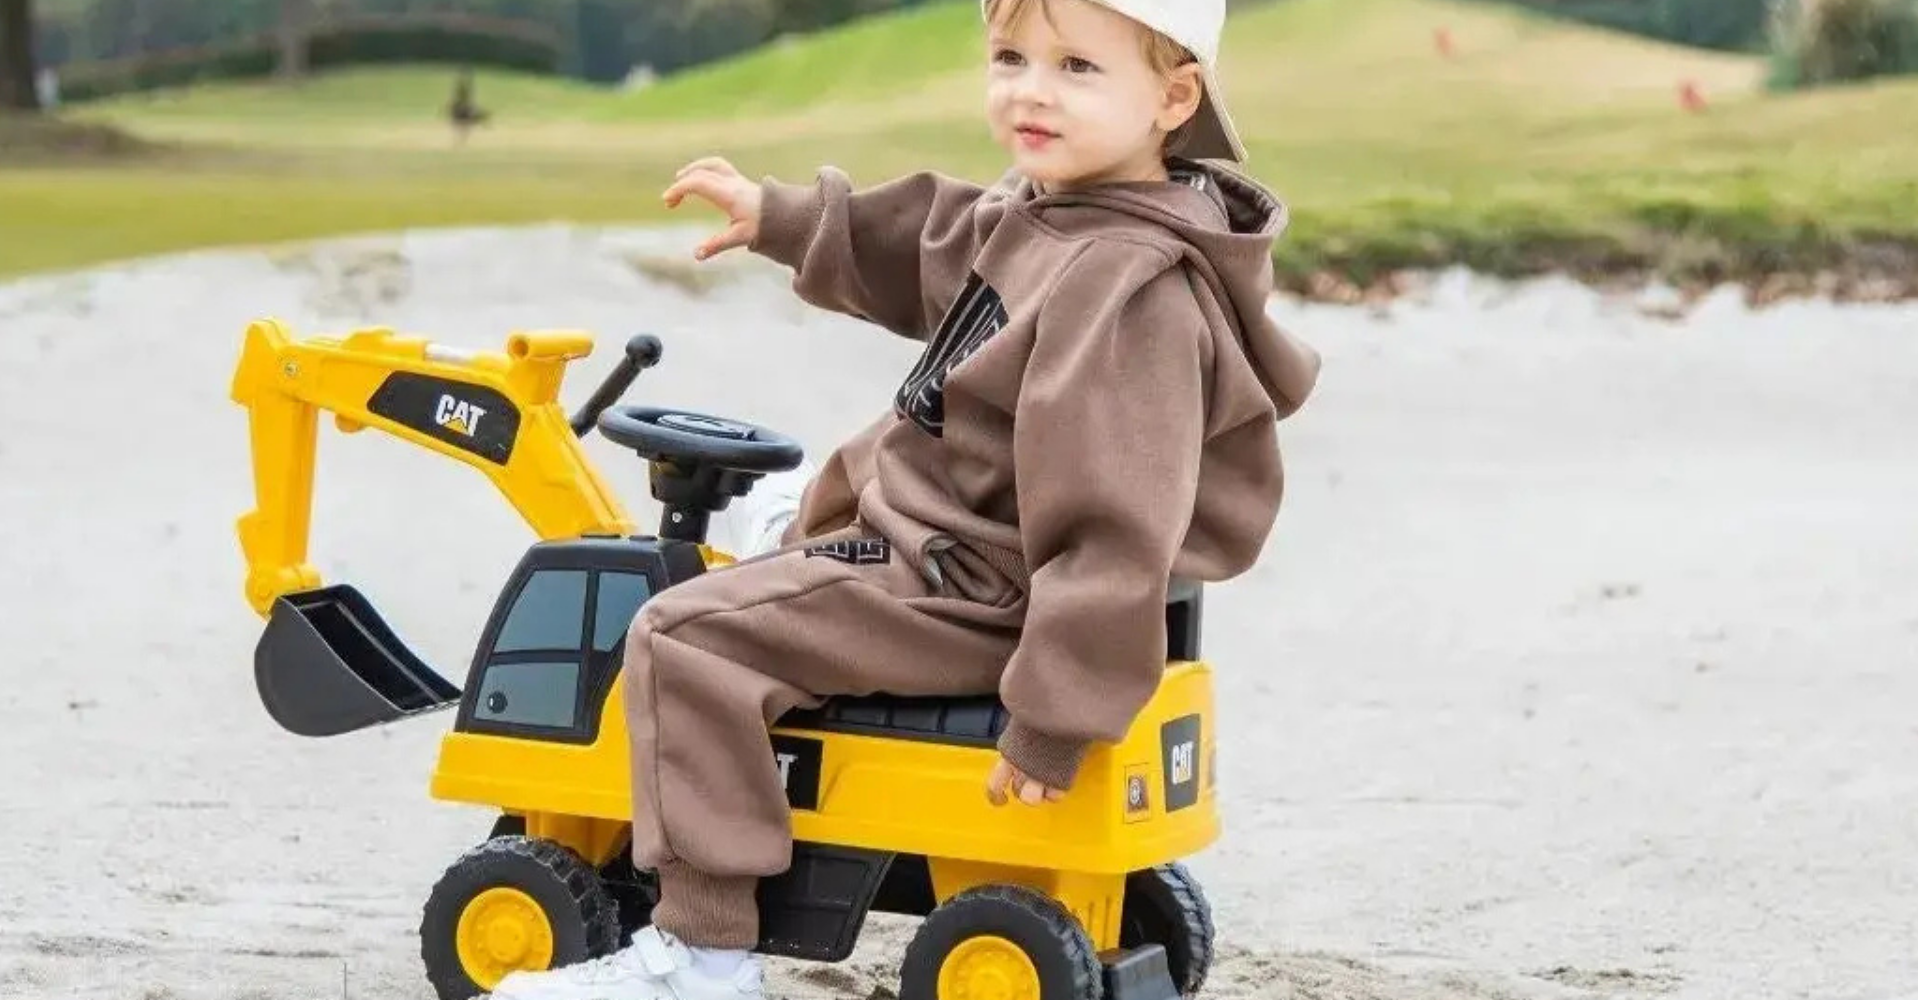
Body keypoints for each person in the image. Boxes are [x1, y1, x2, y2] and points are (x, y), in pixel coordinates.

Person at [485, 1, 1317, 997]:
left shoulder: (1125, 289)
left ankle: (699, 952)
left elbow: (1114, 527)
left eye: (1077, 67)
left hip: (964, 583)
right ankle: (792, 568)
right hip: (943, 536)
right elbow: (936, 242)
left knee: (680, 636)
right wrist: (786, 218)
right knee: (783, 515)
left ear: (1174, 98)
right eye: (1010, 55)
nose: (1031, 88)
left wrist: (1055, 715)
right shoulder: (1060, 212)